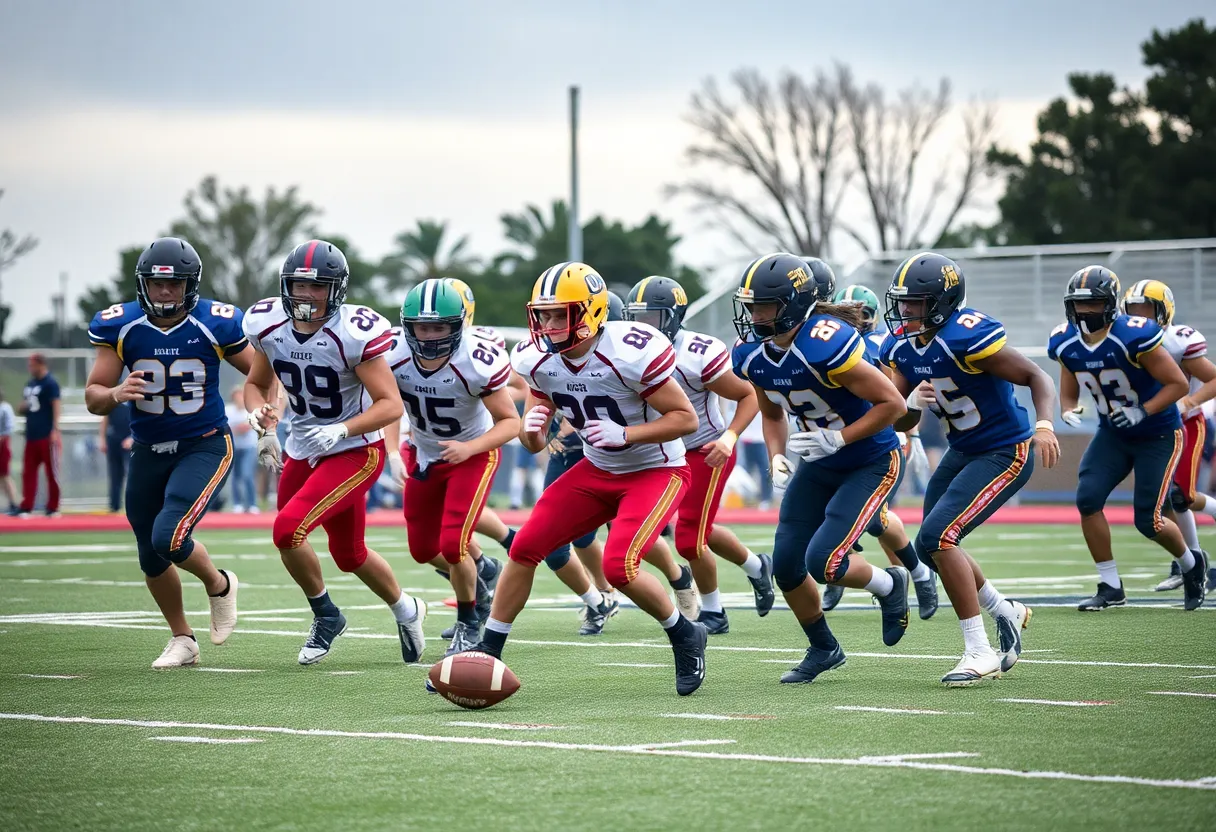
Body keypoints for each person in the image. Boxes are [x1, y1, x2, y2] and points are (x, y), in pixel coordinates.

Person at [473, 261, 709, 697]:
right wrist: (532, 432)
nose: (548, 323)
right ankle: (489, 649)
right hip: (598, 468)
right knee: (525, 547)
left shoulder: (631, 352)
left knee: (620, 567)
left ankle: (684, 634)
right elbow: (535, 440)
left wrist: (628, 433)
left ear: (590, 311)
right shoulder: (537, 358)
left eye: (559, 313)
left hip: (656, 469)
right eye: (543, 314)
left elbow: (685, 418)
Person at [242, 239, 427, 665]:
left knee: (288, 529)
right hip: (303, 445)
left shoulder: (352, 332)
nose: (306, 296)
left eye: (317, 287)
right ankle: (407, 609)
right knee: (350, 554)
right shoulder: (268, 324)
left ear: (337, 289)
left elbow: (390, 404)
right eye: (298, 286)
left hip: (355, 450)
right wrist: (262, 421)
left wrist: (341, 428)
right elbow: (257, 383)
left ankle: (325, 614)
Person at [733, 252, 911, 685]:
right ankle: (823, 647)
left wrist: (842, 437)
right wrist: (777, 454)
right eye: (750, 306)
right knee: (787, 564)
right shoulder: (753, 354)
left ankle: (890, 586)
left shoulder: (825, 341)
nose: (754, 316)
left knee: (824, 561)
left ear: (793, 305)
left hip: (870, 458)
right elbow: (771, 413)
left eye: (764, 306)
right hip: (818, 462)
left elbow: (894, 404)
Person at [882, 253, 1059, 685]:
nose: (905, 312)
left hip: (1004, 449)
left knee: (939, 536)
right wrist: (907, 406)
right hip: (963, 449)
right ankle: (1006, 611)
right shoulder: (902, 348)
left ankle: (979, 651)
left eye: (916, 302)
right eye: (902, 302)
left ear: (942, 302)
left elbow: (1037, 376)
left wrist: (1044, 424)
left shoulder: (968, 336)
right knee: (928, 546)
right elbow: (898, 417)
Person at [84, 237, 244, 668]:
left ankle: (218, 584)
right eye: (157, 284)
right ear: (144, 285)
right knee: (148, 552)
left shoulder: (217, 322)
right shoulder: (121, 325)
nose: (166, 292)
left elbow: (262, 373)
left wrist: (267, 410)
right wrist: (117, 392)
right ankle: (182, 639)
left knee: (168, 534)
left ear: (191, 285)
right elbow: (93, 396)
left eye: (175, 284)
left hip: (205, 442)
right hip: (149, 447)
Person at [625, 275, 776, 634]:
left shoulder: (696, 352)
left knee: (690, 539)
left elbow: (749, 395)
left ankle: (714, 611)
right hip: (659, 453)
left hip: (704, 451)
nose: (642, 327)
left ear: (673, 317)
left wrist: (730, 437)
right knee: (688, 530)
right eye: (636, 317)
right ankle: (757, 566)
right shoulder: (625, 349)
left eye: (652, 318)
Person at [1050, 266, 1205, 611]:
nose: (1084, 312)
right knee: (1088, 499)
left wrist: (1143, 410)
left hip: (1158, 432)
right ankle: (1110, 585)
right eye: (1078, 304)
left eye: (1092, 304)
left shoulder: (1135, 334)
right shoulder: (1065, 339)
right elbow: (1069, 373)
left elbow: (1178, 383)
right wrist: (1067, 406)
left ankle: (1192, 566)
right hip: (1113, 433)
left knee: (1147, 520)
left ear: (1109, 304)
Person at [381, 279, 521, 655]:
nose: (429, 335)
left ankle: (468, 622)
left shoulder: (477, 360)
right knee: (422, 549)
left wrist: (469, 447)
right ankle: (483, 571)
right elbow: (388, 404)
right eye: (422, 326)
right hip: (424, 453)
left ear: (458, 324)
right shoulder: (392, 353)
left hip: (472, 456)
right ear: (407, 325)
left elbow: (511, 422)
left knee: (453, 544)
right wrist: (394, 452)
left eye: (439, 326)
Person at [826, 280, 939, 619]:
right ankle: (839, 572)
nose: (852, 321)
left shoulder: (878, 345)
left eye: (859, 314)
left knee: (874, 519)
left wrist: (913, 435)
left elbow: (896, 396)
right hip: (839, 443)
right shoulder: (826, 344)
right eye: (845, 314)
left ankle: (917, 574)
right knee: (830, 513)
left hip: (879, 443)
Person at [1118, 280, 1216, 593]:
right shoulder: (1122, 340)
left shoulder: (1177, 340)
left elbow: (1212, 379)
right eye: (1133, 309)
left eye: (1146, 308)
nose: (1140, 315)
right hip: (1153, 427)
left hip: (1187, 423)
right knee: (1163, 498)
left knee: (1180, 496)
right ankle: (1188, 560)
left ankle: (1192, 559)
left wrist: (1188, 401)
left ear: (1164, 311)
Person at [16, 353, 61, 517]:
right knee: (28, 472)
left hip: (46, 433)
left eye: (32, 364)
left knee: (52, 472)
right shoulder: (31, 383)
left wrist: (55, 429)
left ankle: (53, 507)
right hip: (31, 433)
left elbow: (56, 405)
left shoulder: (50, 383)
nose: (30, 368)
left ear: (40, 364)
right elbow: (26, 404)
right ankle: (27, 505)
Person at [224, 386, 259, 513]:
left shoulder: (250, 410)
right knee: (235, 476)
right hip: (234, 447)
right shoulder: (228, 410)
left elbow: (251, 425)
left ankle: (252, 504)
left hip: (249, 446)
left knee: (247, 474)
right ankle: (237, 503)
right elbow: (225, 427)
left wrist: (241, 428)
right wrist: (237, 428)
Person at [98, 402, 133, 513]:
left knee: (133, 475)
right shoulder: (114, 399)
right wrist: (102, 439)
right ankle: (114, 506)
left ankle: (134, 505)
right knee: (115, 474)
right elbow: (105, 419)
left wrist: (132, 438)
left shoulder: (135, 400)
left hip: (130, 441)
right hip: (114, 440)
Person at [0, 390, 16, 514]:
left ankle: (12, 502)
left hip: (3, 445)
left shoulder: (5, 408)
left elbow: (9, 428)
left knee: (5, 475)